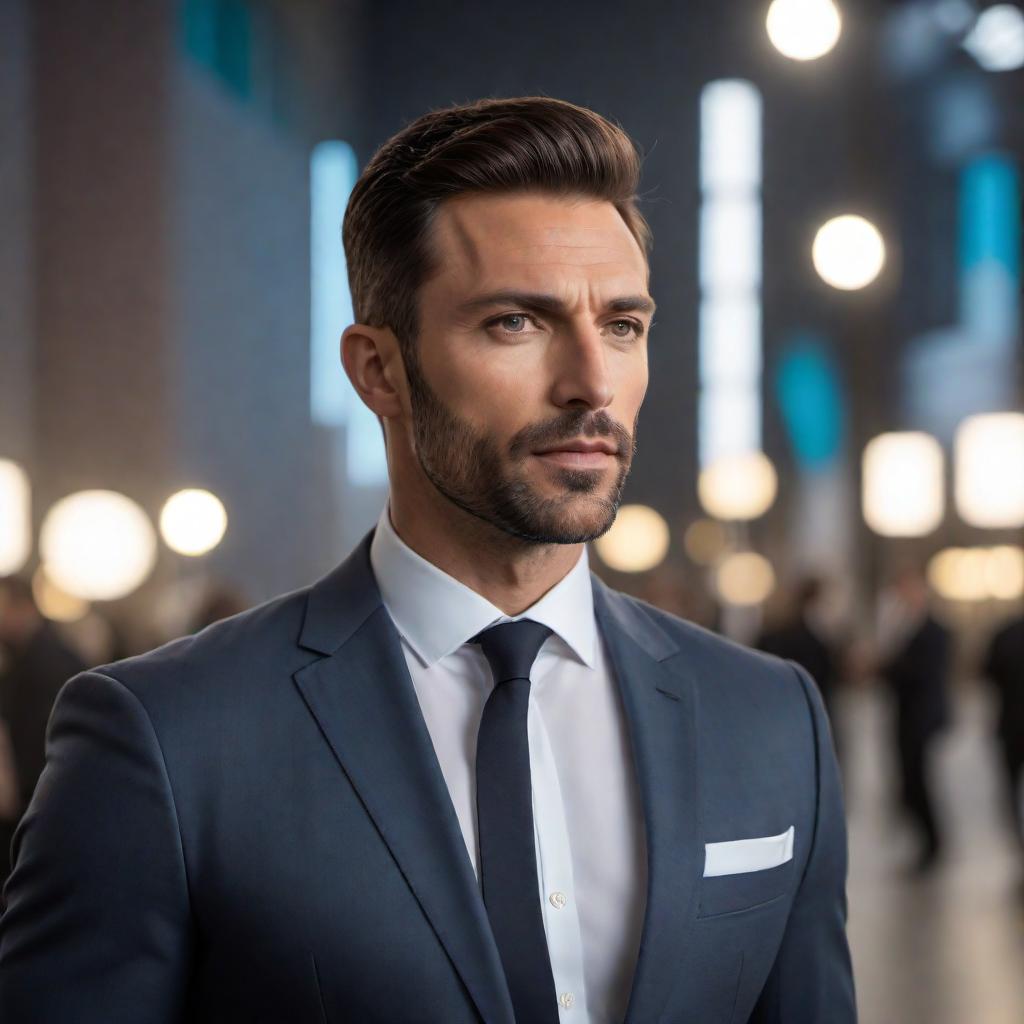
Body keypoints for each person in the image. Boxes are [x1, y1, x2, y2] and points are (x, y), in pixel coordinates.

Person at [0, 96, 855, 1023]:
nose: (592, 384)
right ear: (379, 370)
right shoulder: (166, 740)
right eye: (515, 324)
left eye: (621, 325)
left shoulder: (771, 718)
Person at [0, 576, 86, 887]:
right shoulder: (28, 657)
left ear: (22, 607)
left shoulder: (48, 663)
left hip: (41, 809)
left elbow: (45, 744)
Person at [876, 566, 952, 874]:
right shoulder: (904, 627)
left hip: (922, 718)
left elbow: (920, 674)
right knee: (909, 781)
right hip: (906, 716)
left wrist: (884, 667)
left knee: (920, 782)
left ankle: (933, 843)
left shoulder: (935, 630)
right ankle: (925, 841)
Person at [982, 611, 1024, 864]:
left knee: (1011, 793)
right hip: (1011, 725)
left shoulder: (1006, 633)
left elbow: (988, 673)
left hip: (1011, 725)